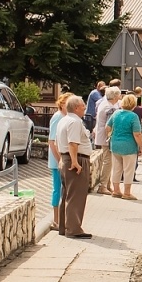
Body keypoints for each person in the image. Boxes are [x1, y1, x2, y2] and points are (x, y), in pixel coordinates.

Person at [56, 95, 92, 239]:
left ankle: (64, 227)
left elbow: (60, 142)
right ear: (76, 108)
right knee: (76, 196)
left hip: (66, 159)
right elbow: (73, 143)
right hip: (76, 160)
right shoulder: (75, 122)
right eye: (83, 105)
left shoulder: (63, 120)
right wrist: (75, 162)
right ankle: (74, 229)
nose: (85, 107)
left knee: (67, 194)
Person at [109, 94, 142, 200]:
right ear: (133, 104)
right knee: (128, 169)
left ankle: (116, 190)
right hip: (129, 146)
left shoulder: (116, 113)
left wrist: (112, 135)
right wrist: (141, 147)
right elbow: (137, 134)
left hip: (115, 145)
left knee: (116, 169)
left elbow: (107, 127)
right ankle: (127, 193)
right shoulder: (133, 116)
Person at [47, 92, 72, 231]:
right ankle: (56, 220)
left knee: (62, 189)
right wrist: (59, 159)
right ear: (62, 104)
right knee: (57, 188)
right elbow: (52, 141)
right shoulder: (58, 117)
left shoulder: (64, 117)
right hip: (57, 160)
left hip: (60, 159)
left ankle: (61, 219)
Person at [93, 86, 120, 187]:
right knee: (108, 161)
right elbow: (110, 125)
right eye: (118, 94)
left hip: (104, 136)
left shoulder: (107, 104)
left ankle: (107, 185)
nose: (120, 96)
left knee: (108, 161)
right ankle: (103, 185)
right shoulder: (109, 108)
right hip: (107, 137)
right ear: (114, 96)